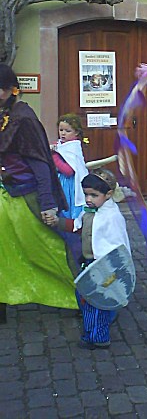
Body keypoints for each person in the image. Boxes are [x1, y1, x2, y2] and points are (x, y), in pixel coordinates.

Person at [0, 64, 77, 324]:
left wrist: (47, 204)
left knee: (51, 247)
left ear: (7, 91)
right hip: (6, 196)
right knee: (5, 252)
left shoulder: (24, 118)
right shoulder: (4, 113)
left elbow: (40, 163)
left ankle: (85, 297)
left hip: (26, 196)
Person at [56, 168, 131, 349]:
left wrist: (113, 270)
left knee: (97, 302)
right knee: (86, 298)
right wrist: (56, 222)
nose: (88, 199)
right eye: (86, 194)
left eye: (94, 195)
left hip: (103, 267)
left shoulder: (111, 217)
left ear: (108, 194)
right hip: (89, 264)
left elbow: (118, 246)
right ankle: (92, 331)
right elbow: (78, 226)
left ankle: (98, 337)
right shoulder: (89, 210)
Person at [52, 113, 88, 220]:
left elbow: (68, 171)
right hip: (59, 181)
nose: (63, 134)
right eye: (61, 130)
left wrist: (54, 156)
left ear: (76, 132)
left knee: (67, 208)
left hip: (69, 184)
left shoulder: (73, 147)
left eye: (68, 131)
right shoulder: (60, 145)